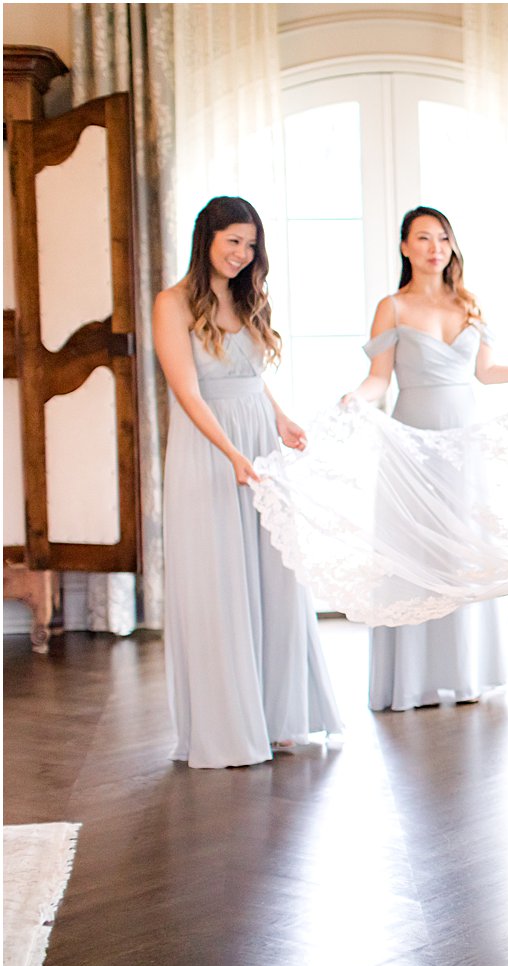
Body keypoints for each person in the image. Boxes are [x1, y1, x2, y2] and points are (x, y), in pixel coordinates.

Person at [346, 206, 508, 711]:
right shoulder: (392, 307)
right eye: (423, 238)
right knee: (415, 552)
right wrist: (352, 400)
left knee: (463, 548)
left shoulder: (468, 303)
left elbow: (485, 373)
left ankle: (466, 674)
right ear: (405, 247)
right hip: (413, 440)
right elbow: (378, 379)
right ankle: (412, 680)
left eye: (442, 238)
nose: (434, 247)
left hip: (465, 443)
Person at [156, 195, 343, 769]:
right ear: (206, 238)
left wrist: (280, 416)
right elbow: (188, 390)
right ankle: (228, 729)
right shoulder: (173, 303)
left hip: (259, 444)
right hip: (209, 449)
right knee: (221, 583)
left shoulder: (246, 299)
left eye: (251, 244)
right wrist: (232, 453)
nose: (242, 253)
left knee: (274, 577)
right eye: (233, 240)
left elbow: (247, 373)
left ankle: (278, 717)